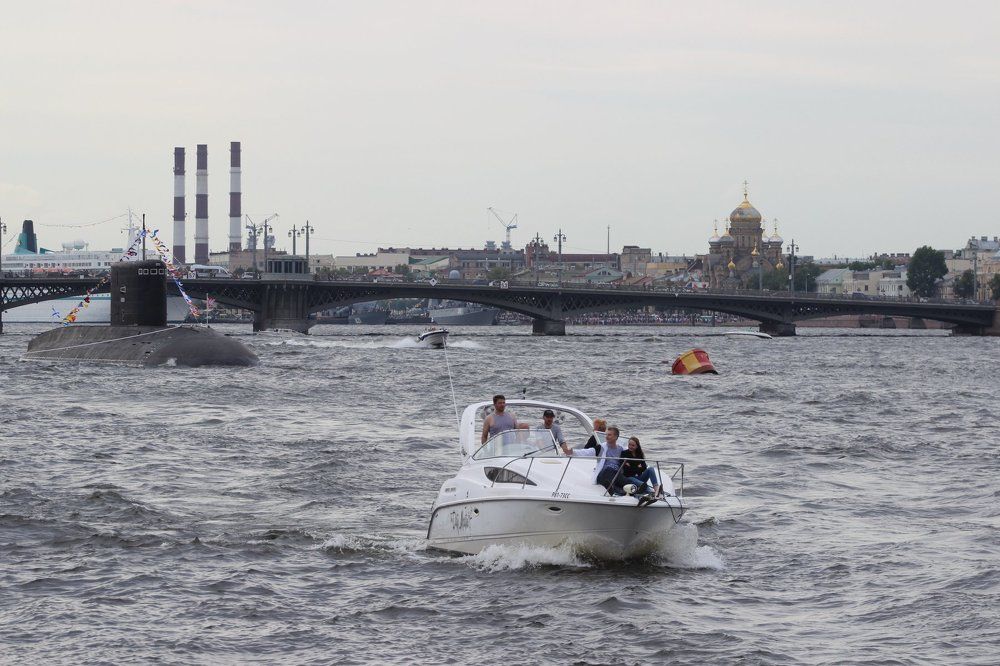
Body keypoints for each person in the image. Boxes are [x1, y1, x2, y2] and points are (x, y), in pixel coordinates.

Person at [562, 426, 627, 494]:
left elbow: (632, 454)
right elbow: (587, 452)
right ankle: (615, 491)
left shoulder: (622, 449)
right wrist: (572, 452)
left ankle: (632, 489)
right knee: (609, 470)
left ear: (616, 437)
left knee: (628, 480)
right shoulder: (601, 447)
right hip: (603, 475)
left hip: (616, 474)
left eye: (609, 435)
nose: (606, 437)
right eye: (606, 435)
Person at [620, 436, 661, 500]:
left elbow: (644, 468)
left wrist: (631, 466)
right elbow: (626, 470)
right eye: (629, 444)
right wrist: (638, 467)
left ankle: (657, 490)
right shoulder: (624, 453)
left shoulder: (639, 454)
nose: (630, 446)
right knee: (642, 484)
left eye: (633, 445)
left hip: (639, 477)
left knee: (651, 469)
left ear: (637, 446)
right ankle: (651, 492)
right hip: (629, 478)